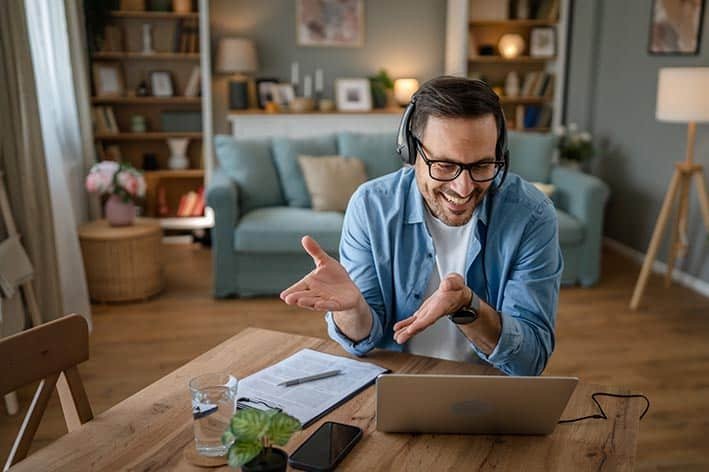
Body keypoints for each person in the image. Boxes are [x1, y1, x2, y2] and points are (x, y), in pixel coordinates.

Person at [281, 76, 562, 376]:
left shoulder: (531, 215)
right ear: (411, 152)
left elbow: (530, 360)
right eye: (444, 165)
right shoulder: (370, 206)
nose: (464, 187)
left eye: (482, 165)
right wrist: (352, 309)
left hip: (488, 389)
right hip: (394, 382)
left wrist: (467, 308)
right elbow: (362, 343)